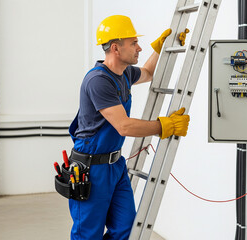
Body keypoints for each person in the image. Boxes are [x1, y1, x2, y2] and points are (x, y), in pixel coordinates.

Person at [67, 15, 190, 240]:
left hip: (115, 166)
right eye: (133, 43)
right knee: (88, 234)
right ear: (115, 47)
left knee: (126, 229)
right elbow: (123, 126)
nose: (139, 47)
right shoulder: (98, 81)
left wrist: (161, 48)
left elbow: (149, 73)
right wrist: (165, 126)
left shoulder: (124, 74)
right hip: (91, 170)